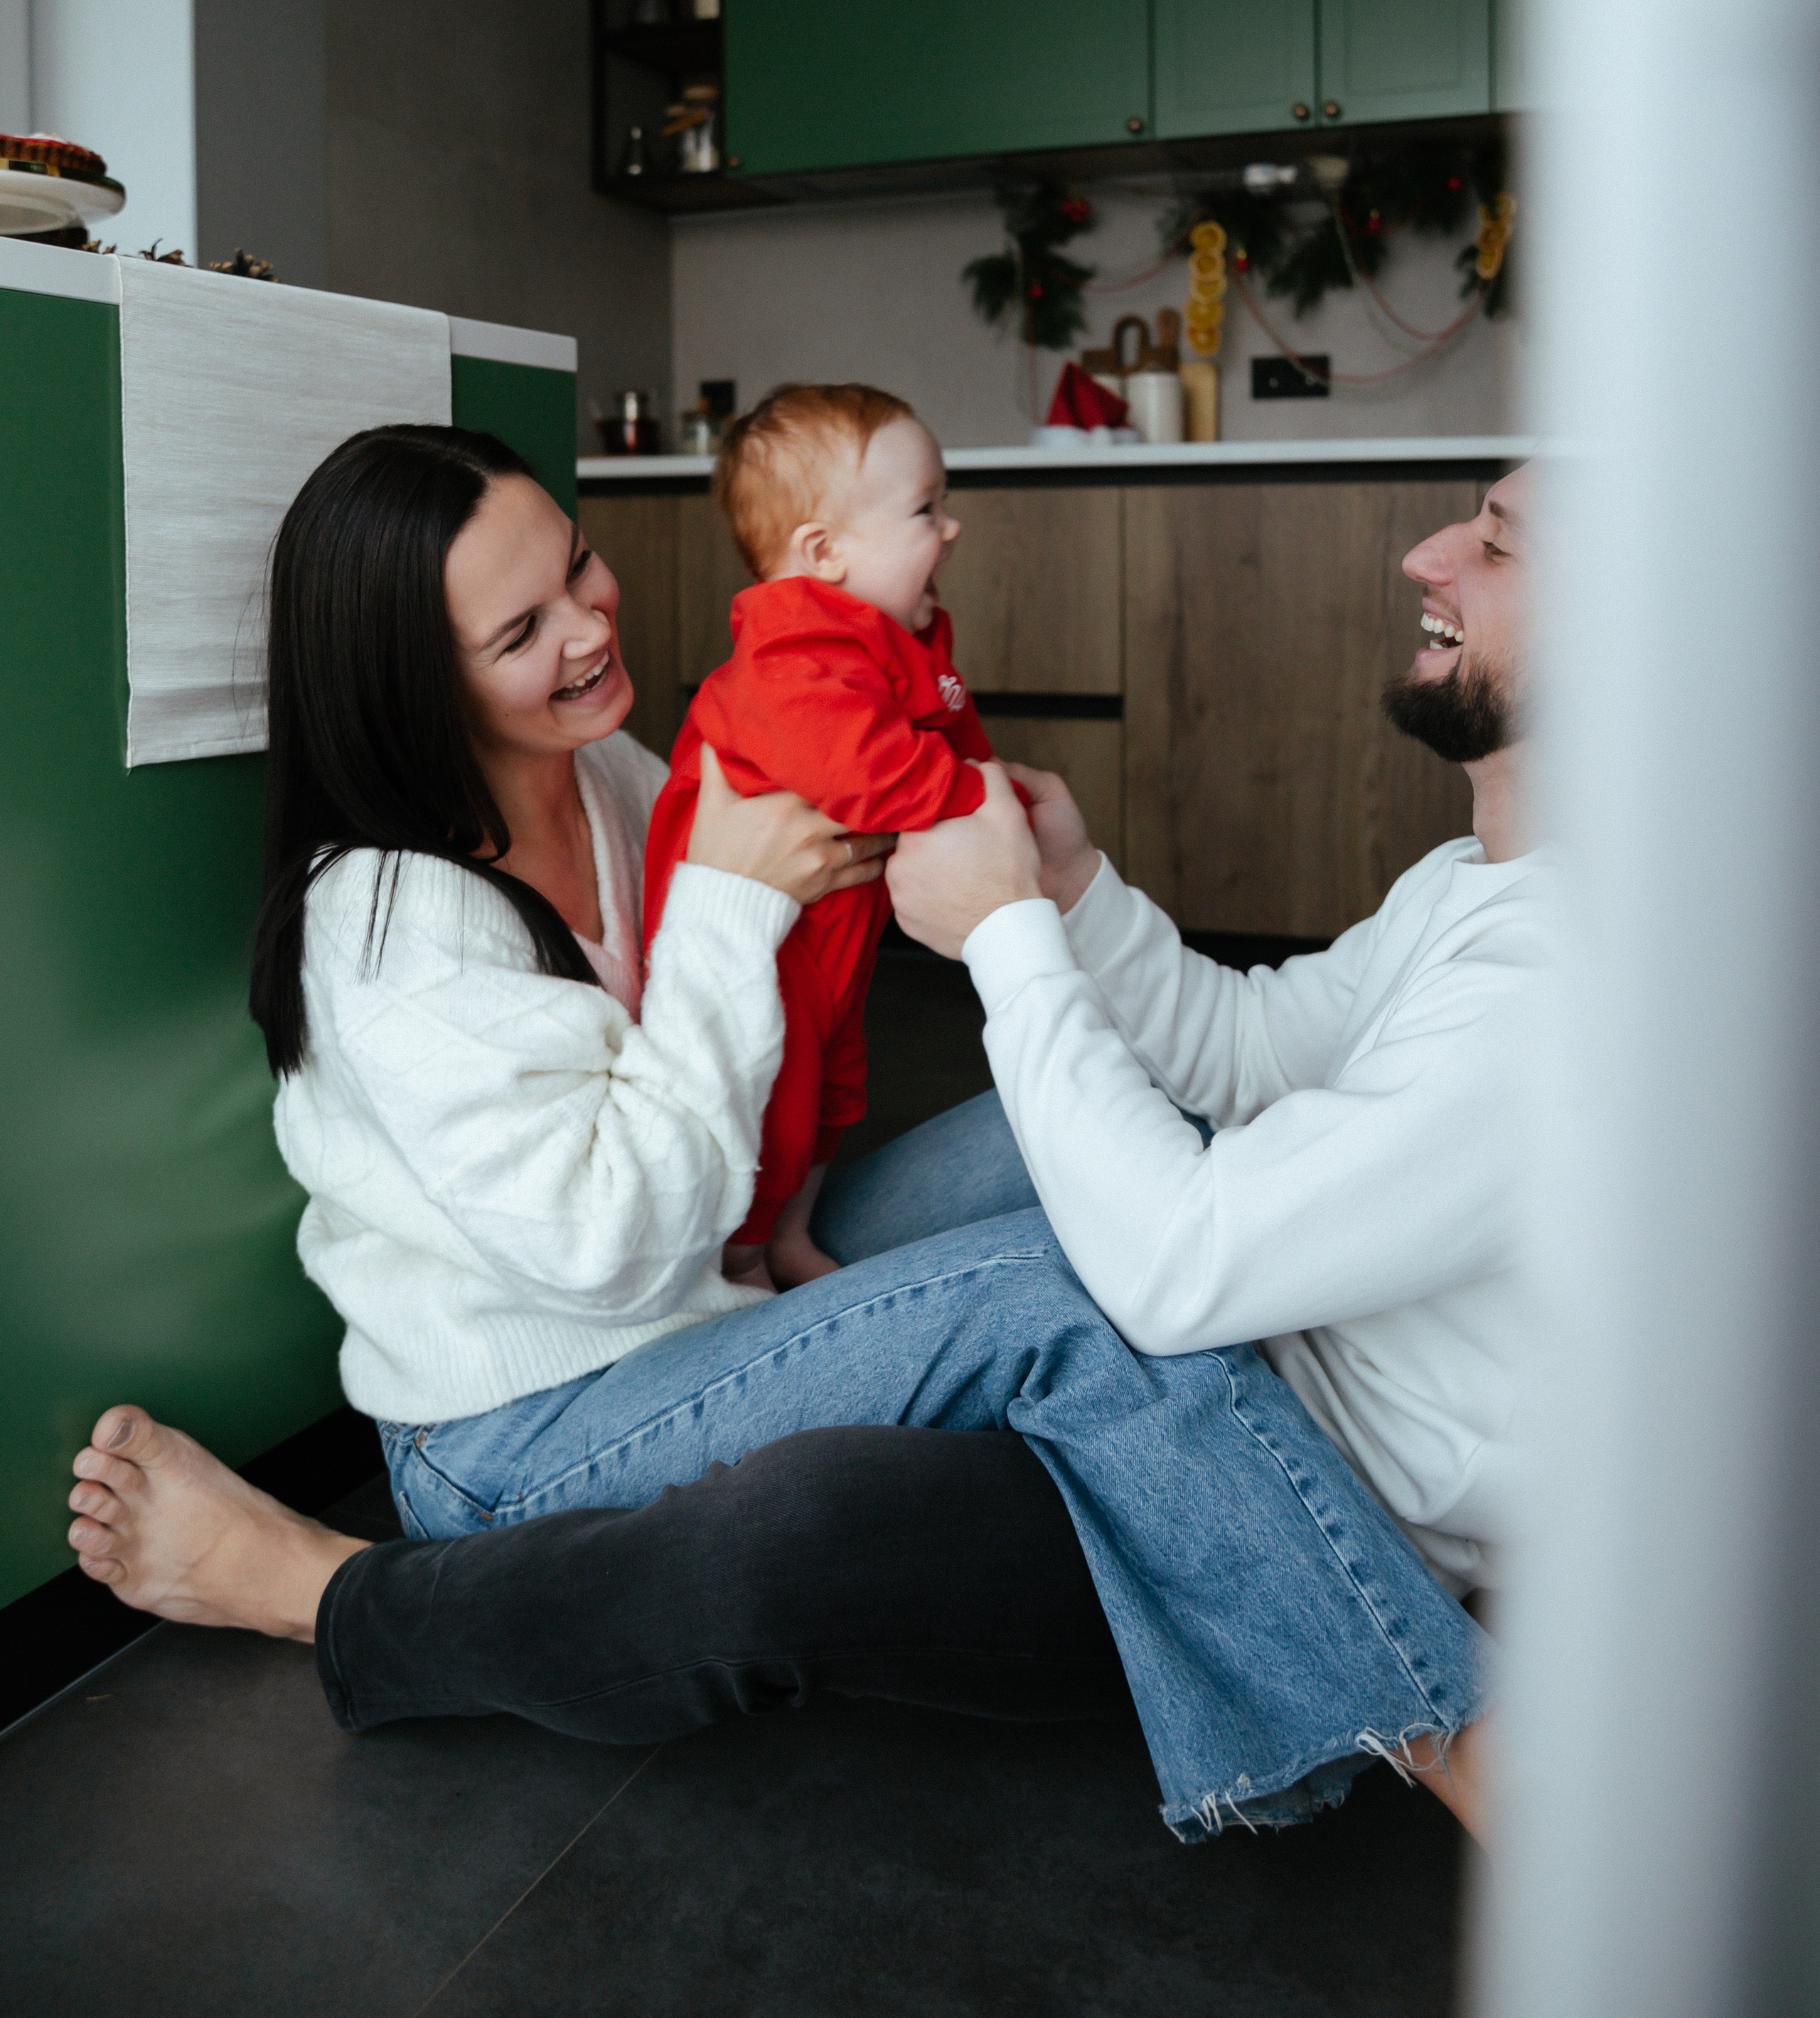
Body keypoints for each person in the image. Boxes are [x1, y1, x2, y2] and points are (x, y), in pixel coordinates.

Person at [65, 457, 1536, 1845]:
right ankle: (1433, 1725)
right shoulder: (389, 924)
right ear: (415, 685)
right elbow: (605, 1247)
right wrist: (723, 900)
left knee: (1102, 1141)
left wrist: (970, 818)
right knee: (1057, 1283)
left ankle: (1229, 1482)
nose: (588, 627)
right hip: (534, 1412)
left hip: (708, 1284)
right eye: (524, 629)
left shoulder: (612, 778)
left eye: (580, 568)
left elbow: (810, 969)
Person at [643, 381, 999, 1291]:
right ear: (823, 552)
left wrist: (992, 789)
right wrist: (975, 798)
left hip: (832, 939)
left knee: (839, 1091)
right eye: (925, 510)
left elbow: (951, 732)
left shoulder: (885, 639)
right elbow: (872, 773)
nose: (948, 529)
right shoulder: (791, 654)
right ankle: (742, 1255)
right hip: (766, 954)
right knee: (779, 1108)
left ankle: (793, 1233)